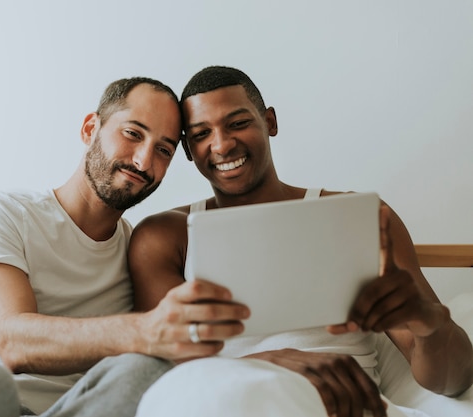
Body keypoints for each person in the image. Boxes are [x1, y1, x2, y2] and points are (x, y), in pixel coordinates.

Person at [0, 76, 250, 417]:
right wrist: (147, 329)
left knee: (142, 373)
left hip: (54, 410)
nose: (144, 161)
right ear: (90, 129)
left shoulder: (139, 248)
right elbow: (12, 342)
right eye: (132, 133)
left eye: (163, 149)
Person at [128, 66, 473, 417]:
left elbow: (453, 381)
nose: (222, 144)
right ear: (189, 149)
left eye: (238, 123)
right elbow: (163, 374)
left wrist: (430, 323)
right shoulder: (166, 236)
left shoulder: (357, 217)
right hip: (230, 402)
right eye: (202, 133)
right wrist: (265, 364)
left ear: (270, 122)